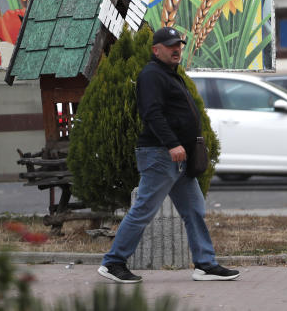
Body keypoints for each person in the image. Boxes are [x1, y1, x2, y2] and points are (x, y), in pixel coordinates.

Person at [98, 26, 240, 284]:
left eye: (179, 45)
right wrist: (173, 143)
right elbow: (152, 113)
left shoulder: (170, 74)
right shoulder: (152, 75)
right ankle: (113, 262)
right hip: (160, 154)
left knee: (195, 209)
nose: (177, 49)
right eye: (171, 45)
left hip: (178, 158)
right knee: (143, 209)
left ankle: (205, 265)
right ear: (156, 50)